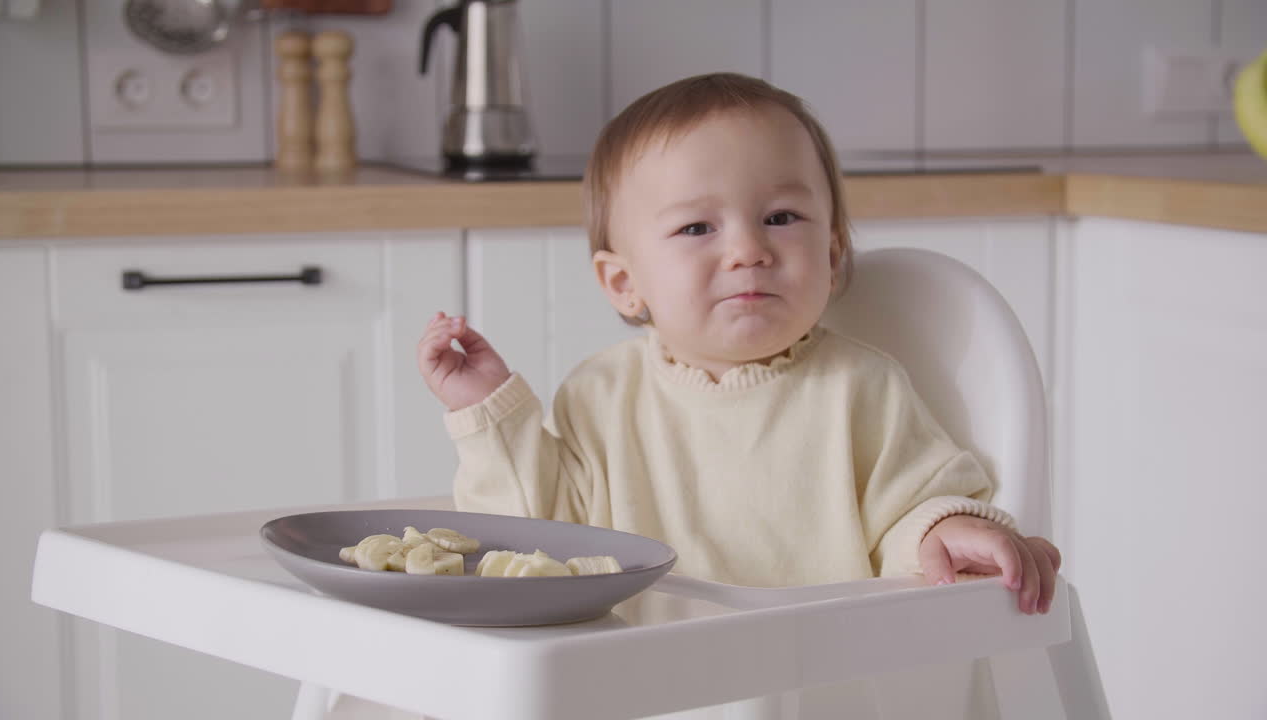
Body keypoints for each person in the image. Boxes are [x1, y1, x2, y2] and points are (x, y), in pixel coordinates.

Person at [418, 72, 1060, 615]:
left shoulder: (862, 388)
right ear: (624, 282)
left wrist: (946, 531)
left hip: (820, 690)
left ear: (832, 255)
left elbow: (913, 510)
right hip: (639, 696)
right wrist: (487, 408)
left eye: (781, 218)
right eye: (698, 226)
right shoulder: (599, 397)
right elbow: (533, 538)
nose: (749, 251)